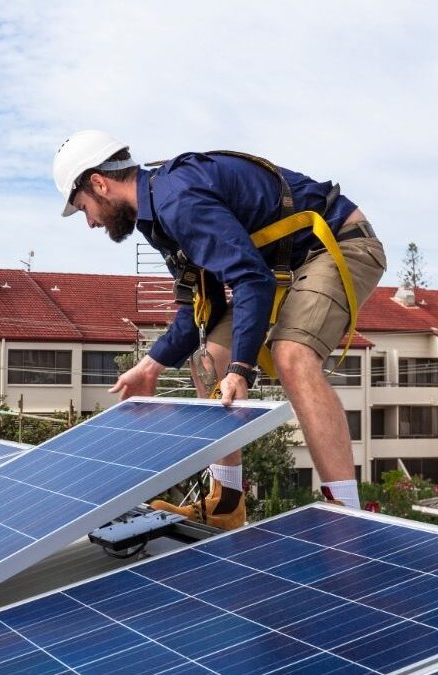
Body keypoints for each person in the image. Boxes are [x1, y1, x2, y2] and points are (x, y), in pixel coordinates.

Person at [53, 130, 386, 530]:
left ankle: (346, 516)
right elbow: (201, 309)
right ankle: (227, 503)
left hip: (338, 243)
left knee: (291, 355)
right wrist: (151, 367)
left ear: (99, 183)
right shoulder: (157, 216)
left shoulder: (177, 199)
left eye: (84, 207)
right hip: (279, 266)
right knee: (209, 359)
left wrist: (241, 369)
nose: (90, 222)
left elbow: (251, 280)